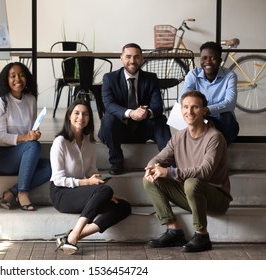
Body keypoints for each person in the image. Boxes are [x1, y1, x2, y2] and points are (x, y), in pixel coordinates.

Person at [143, 90, 232, 252]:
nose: (189, 112)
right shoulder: (179, 136)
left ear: (204, 110)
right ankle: (174, 230)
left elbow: (205, 172)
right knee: (150, 180)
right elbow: (160, 158)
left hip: (216, 199)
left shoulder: (215, 137)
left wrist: (169, 172)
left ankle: (202, 235)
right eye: (185, 107)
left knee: (192, 183)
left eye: (195, 107)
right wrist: (151, 167)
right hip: (191, 194)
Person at [50, 99, 131, 255]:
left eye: (85, 114)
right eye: (77, 113)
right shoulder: (60, 142)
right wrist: (90, 183)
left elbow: (91, 172)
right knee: (105, 191)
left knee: (123, 206)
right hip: (61, 193)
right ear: (69, 116)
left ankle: (72, 234)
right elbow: (58, 179)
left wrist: (96, 183)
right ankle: (74, 235)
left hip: (82, 191)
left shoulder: (90, 143)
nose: (81, 117)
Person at [98, 43, 171, 175]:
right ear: (121, 58)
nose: (132, 61)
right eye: (128, 56)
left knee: (161, 120)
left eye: (137, 57)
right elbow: (109, 104)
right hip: (118, 129)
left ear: (142, 59)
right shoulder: (109, 78)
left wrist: (146, 112)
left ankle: (167, 163)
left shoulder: (151, 78)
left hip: (142, 128)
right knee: (108, 118)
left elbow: (158, 106)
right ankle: (116, 162)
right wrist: (131, 113)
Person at [0, 62, 51, 211]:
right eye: (13, 76)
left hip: (25, 155)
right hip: (4, 157)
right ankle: (23, 192)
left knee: (52, 167)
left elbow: (32, 128)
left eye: (21, 75)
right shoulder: (2, 102)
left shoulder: (31, 100)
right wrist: (25, 137)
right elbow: (1, 137)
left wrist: (35, 133)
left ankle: (11, 192)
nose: (18, 79)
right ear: (6, 80)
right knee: (33, 145)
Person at [180, 41, 240, 145]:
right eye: (204, 58)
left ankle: (220, 147)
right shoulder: (193, 74)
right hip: (199, 115)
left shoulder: (230, 76)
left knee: (227, 119)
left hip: (220, 117)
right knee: (185, 114)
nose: (208, 62)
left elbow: (230, 103)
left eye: (213, 58)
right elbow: (182, 98)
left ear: (220, 60)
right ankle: (194, 146)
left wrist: (207, 109)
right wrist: (197, 110)